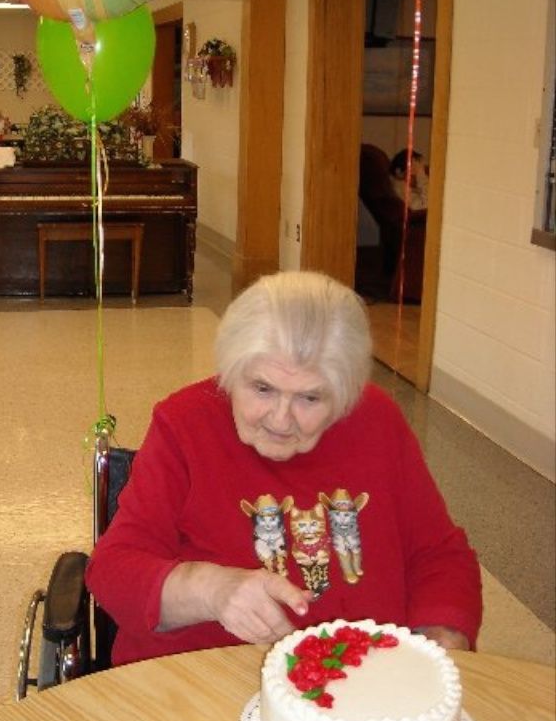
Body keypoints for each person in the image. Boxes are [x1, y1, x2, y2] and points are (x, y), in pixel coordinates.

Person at [86, 271, 481, 667]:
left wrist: (441, 638)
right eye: (262, 388)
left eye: (310, 398)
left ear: (344, 393)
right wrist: (211, 590)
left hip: (364, 681)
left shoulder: (377, 420)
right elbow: (113, 570)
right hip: (204, 679)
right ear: (230, 372)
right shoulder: (184, 424)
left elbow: (439, 555)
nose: (280, 419)